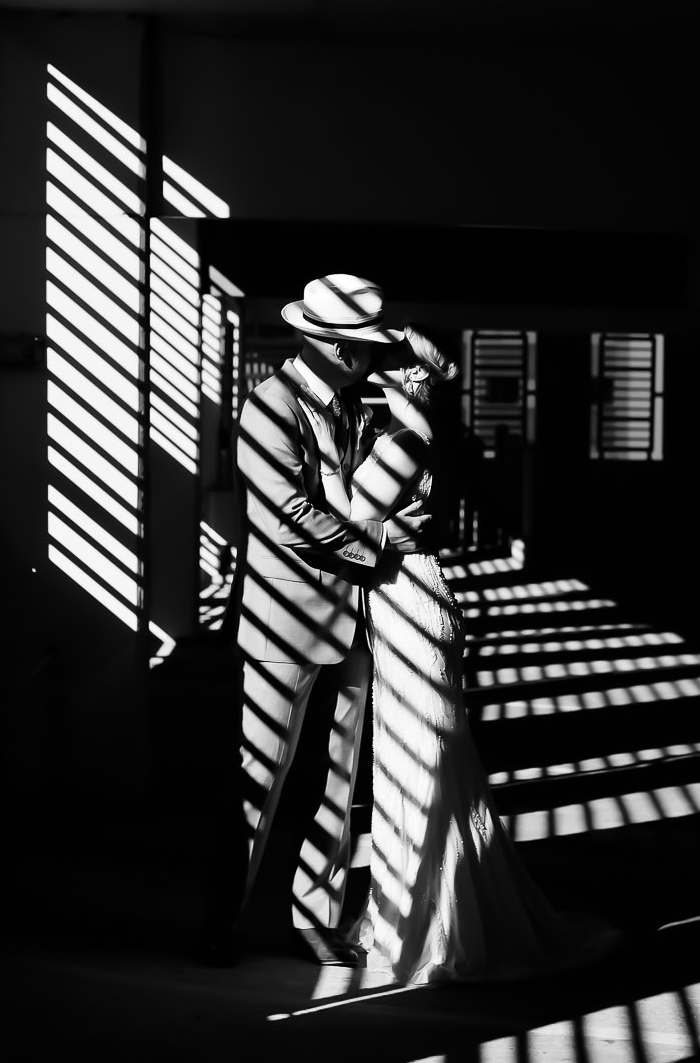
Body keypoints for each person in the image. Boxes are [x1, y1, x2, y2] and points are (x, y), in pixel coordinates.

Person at [345, 326, 622, 985]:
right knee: (417, 755)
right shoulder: (417, 432)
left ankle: (427, 922)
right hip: (408, 595)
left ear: (407, 380)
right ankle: (406, 912)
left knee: (421, 758)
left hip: (409, 599)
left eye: (386, 365)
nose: (371, 368)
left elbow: (355, 521)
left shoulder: (405, 436)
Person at [205, 273, 414, 968]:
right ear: (321, 340)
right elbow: (289, 517)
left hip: (356, 619)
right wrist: (381, 549)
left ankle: (312, 919)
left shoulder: (360, 405)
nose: (367, 357)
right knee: (259, 775)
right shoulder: (268, 407)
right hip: (285, 620)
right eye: (356, 345)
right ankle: (219, 920)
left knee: (340, 778)